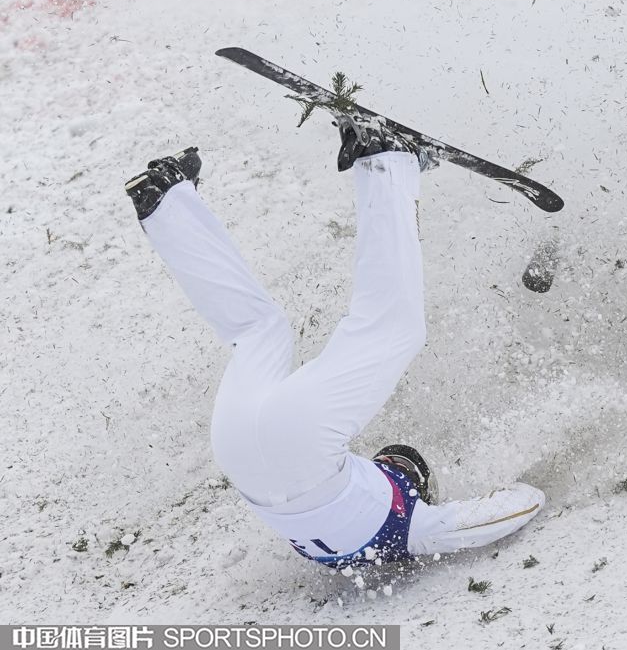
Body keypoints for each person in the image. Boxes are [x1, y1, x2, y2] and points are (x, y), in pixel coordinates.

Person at [124, 122, 545, 568]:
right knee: (257, 331)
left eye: (398, 467)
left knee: (394, 327)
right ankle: (166, 205)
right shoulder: (351, 545)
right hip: (236, 452)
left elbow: (519, 506)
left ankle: (387, 160)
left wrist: (517, 490)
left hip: (299, 448)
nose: (393, 466)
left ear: (414, 487)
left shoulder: (414, 529)